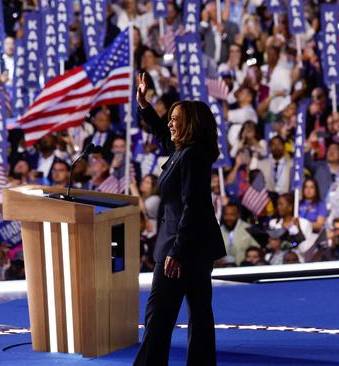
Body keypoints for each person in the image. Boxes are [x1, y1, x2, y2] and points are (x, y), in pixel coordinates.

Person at [134, 72, 226, 366]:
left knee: (159, 317)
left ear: (191, 124)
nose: (170, 122)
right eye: (170, 117)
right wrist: (145, 106)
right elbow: (163, 135)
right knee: (199, 315)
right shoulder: (184, 153)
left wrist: (176, 251)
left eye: (175, 118)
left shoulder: (191, 156)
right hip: (194, 248)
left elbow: (193, 206)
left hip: (181, 248)